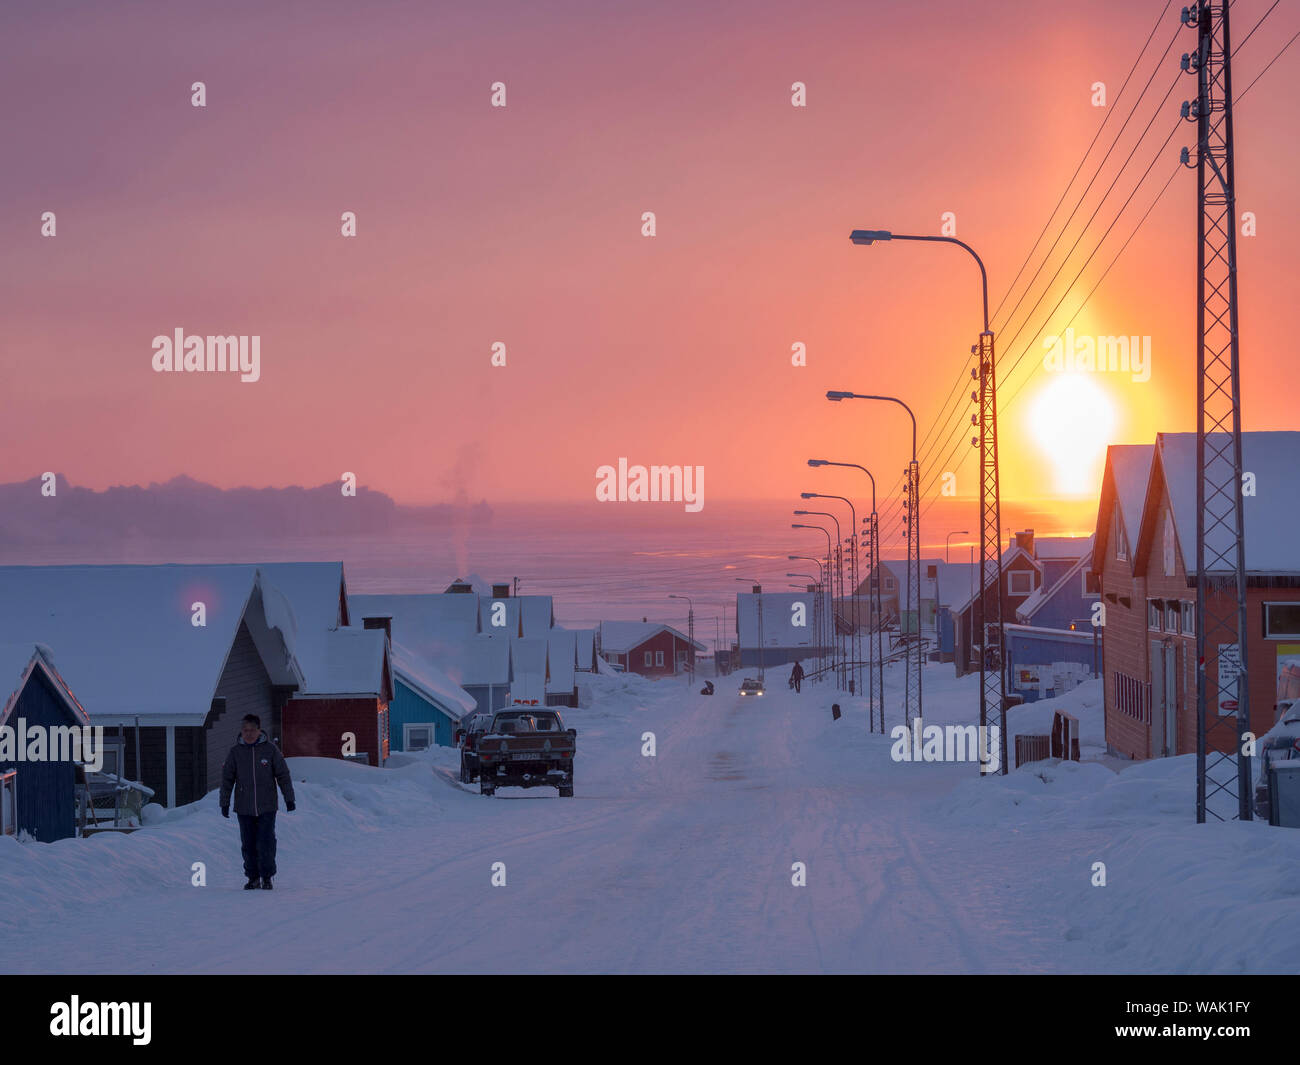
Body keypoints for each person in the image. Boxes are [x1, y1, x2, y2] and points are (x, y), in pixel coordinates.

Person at [220, 714, 296, 890]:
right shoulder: (235, 752)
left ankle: (267, 877)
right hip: (244, 807)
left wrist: (289, 798)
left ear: (259, 731)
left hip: (267, 806)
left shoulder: (270, 750)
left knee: (266, 842)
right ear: (241, 731)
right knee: (248, 843)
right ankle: (252, 877)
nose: (248, 734)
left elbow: (283, 775)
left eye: (252, 730)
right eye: (245, 730)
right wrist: (224, 802)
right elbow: (227, 780)